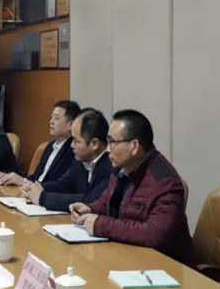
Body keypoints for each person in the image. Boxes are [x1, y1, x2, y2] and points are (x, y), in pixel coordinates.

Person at [70, 109, 193, 264]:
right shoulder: (121, 168)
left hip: (162, 265)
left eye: (113, 142)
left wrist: (100, 224)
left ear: (134, 146)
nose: (107, 149)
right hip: (126, 255)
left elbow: (154, 233)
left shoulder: (164, 181)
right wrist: (90, 209)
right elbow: (106, 201)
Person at [20, 108, 112, 212]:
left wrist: (42, 198)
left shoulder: (110, 167)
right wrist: (38, 188)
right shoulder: (81, 160)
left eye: (76, 141)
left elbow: (91, 201)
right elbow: (66, 183)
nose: (72, 145)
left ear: (94, 144)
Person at [0, 100, 79, 186]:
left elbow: (61, 185)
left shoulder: (73, 150)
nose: (51, 122)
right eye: (51, 117)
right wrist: (12, 177)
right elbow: (36, 178)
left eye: (56, 118)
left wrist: (24, 182)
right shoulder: (50, 146)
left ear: (71, 125)